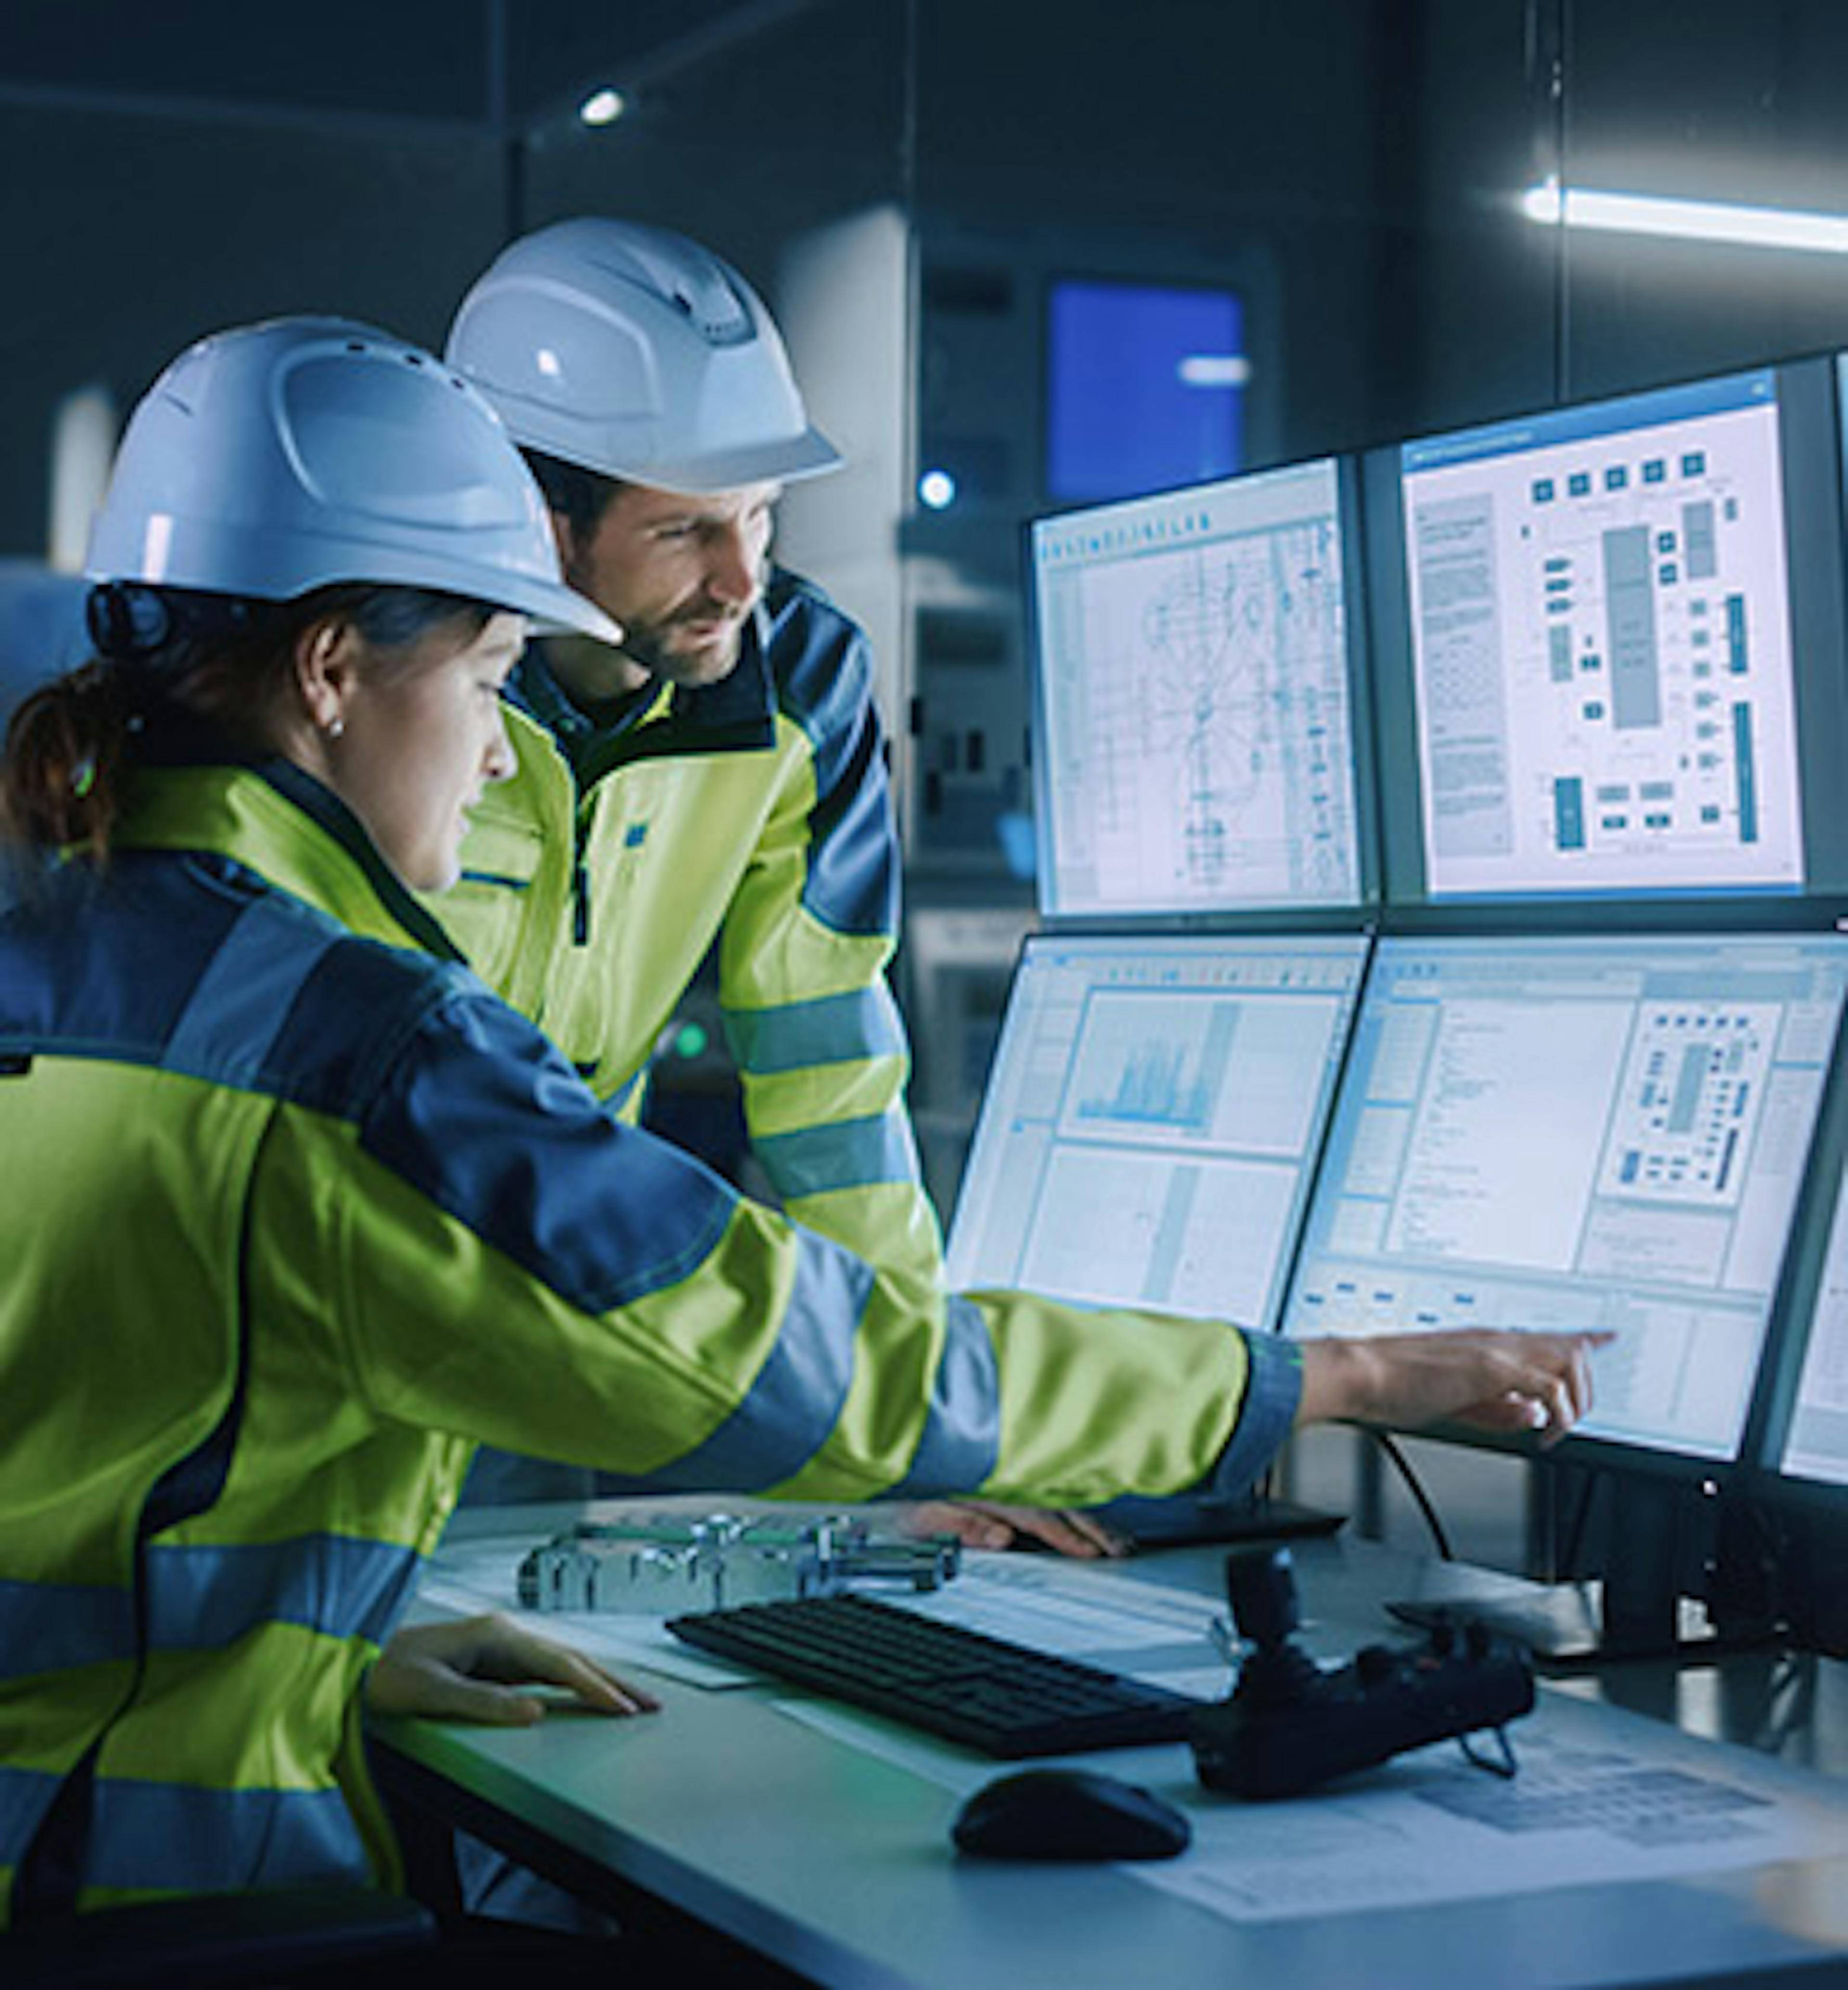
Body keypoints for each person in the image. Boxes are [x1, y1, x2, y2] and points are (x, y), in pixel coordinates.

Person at [0, 314, 1608, 1934]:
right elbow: (792, 1356)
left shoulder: (55, 943)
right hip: (144, 1892)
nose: (499, 750)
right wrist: (1324, 1377)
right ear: (333, 670)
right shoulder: (351, 1053)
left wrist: (326, 1649)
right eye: (488, 674)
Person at [437, 216, 1117, 1553]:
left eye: (762, 515)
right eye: (687, 530)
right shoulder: (404, 676)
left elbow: (829, 1080)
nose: (742, 578)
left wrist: (916, 1430)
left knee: (489, 1690)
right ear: (534, 517)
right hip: (316, 1304)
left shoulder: (800, 680)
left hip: (533, 1329)